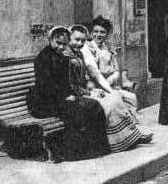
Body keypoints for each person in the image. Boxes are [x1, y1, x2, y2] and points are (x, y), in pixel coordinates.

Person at [29, 26, 109, 161]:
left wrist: (70, 94)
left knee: (94, 105)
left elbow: (65, 82)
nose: (60, 47)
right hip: (43, 102)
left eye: (64, 44)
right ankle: (73, 152)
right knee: (78, 110)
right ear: (50, 40)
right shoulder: (44, 58)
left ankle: (98, 148)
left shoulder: (63, 58)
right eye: (58, 43)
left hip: (59, 99)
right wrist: (65, 96)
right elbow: (45, 85)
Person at [66, 25, 152, 152]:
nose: (79, 43)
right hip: (80, 93)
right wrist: (90, 90)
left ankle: (129, 137)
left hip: (90, 89)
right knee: (111, 103)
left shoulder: (78, 53)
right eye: (76, 40)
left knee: (117, 99)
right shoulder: (68, 56)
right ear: (69, 39)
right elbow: (73, 82)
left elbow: (87, 76)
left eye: (82, 41)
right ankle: (117, 142)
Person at [83, 16, 137, 110]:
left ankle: (128, 122)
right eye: (95, 31)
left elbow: (116, 70)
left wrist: (110, 80)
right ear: (91, 33)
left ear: (107, 34)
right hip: (95, 86)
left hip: (109, 84)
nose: (98, 35)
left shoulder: (108, 48)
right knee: (114, 101)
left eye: (102, 32)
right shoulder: (87, 48)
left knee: (131, 98)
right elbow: (94, 73)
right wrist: (105, 86)